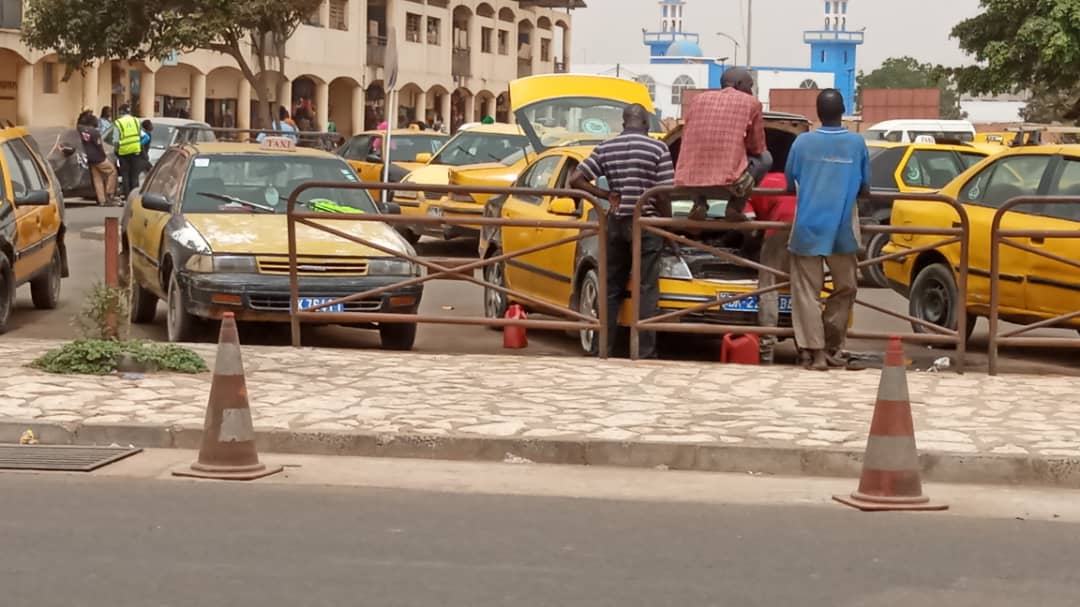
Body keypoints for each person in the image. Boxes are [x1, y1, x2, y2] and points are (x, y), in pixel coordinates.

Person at [569, 103, 675, 359]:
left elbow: (575, 179)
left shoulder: (606, 147)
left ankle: (602, 347)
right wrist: (668, 228)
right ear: (646, 123)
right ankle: (644, 351)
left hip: (616, 224)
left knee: (611, 286)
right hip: (647, 225)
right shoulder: (658, 148)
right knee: (646, 287)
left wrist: (606, 194)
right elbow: (663, 194)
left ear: (623, 123)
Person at [784, 88, 870, 371]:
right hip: (843, 228)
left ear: (818, 113)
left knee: (806, 292)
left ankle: (815, 352)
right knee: (846, 288)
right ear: (843, 110)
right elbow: (865, 187)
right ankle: (831, 344)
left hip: (807, 227)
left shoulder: (802, 142)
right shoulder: (856, 143)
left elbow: (789, 182)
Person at [675, 67, 771, 223]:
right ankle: (735, 207)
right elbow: (757, 147)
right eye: (750, 86)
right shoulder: (751, 103)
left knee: (695, 155)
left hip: (689, 179)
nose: (751, 91)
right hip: (729, 181)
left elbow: (686, 135)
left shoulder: (697, 100)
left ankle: (699, 203)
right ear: (739, 84)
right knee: (765, 158)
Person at [747, 172, 796, 364]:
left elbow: (748, 216)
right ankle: (806, 349)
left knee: (769, 287)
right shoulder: (802, 177)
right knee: (805, 289)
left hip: (778, 230)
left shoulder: (764, 181)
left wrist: (753, 233)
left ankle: (766, 348)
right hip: (808, 229)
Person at [78, 111, 117, 206]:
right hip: (98, 157)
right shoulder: (95, 132)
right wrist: (104, 155)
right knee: (112, 171)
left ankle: (102, 200)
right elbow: (99, 145)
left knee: (97, 179)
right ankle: (109, 193)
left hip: (89, 157)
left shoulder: (81, 130)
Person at [113, 105, 143, 199]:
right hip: (135, 150)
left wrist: (116, 151)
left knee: (125, 174)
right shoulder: (136, 121)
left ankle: (127, 196)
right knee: (134, 175)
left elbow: (116, 140)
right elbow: (140, 135)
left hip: (123, 152)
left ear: (120, 112)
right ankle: (135, 197)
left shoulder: (118, 122)